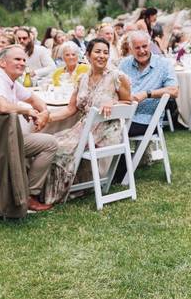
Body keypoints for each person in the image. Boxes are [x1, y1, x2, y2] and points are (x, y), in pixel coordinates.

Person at [0, 45, 58, 212]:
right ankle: (28, 195)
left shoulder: (11, 81)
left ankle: (25, 193)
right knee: (49, 143)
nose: (22, 63)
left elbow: (35, 99)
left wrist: (44, 113)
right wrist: (26, 110)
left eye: (23, 60)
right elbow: (1, 106)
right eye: (17, 59)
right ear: (2, 62)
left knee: (47, 141)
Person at [42, 38, 132, 205]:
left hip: (105, 131)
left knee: (59, 149)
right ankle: (46, 191)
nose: (102, 56)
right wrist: (47, 117)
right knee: (50, 142)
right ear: (88, 55)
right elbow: (70, 109)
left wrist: (113, 102)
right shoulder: (82, 78)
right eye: (97, 52)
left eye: (105, 52)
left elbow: (130, 102)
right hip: (82, 129)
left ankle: (53, 196)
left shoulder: (117, 77)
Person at [119, 31, 179, 160]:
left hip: (147, 120)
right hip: (124, 116)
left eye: (144, 46)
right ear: (130, 49)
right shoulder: (124, 64)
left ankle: (118, 167)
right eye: (137, 48)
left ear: (149, 45)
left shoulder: (163, 64)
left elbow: (174, 91)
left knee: (108, 130)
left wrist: (147, 94)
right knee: (98, 125)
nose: (142, 51)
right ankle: (115, 164)